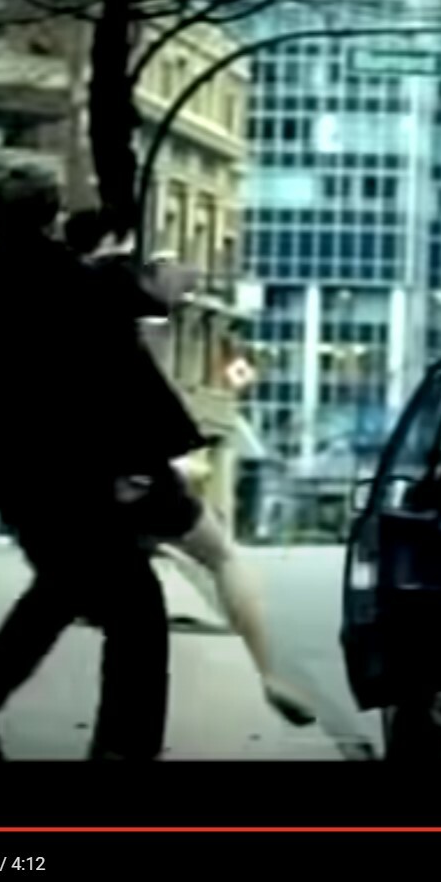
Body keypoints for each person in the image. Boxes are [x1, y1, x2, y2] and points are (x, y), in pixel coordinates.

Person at [0, 174, 180, 761]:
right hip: (67, 483)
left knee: (63, 591)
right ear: (49, 218)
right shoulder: (54, 277)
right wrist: (120, 261)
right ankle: (120, 748)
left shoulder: (0, 273)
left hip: (26, 481)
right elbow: (125, 311)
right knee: (137, 613)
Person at [65, 206, 316, 728]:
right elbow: (158, 298)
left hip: (90, 475)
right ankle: (266, 673)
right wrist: (163, 267)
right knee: (220, 557)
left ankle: (112, 728)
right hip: (133, 469)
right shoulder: (105, 282)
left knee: (127, 599)